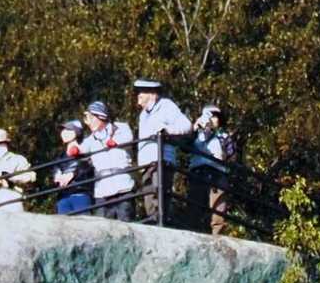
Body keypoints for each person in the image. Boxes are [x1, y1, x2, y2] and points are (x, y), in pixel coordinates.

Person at [132, 77, 192, 219]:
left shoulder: (166, 106)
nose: (139, 95)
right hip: (147, 164)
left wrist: (167, 130)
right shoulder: (143, 115)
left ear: (153, 94)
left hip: (161, 160)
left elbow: (186, 126)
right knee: (149, 202)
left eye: (142, 91)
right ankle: (155, 225)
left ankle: (162, 223)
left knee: (159, 199)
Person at [79, 100, 136, 221]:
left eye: (91, 118)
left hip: (123, 188)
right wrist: (74, 148)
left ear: (101, 116)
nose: (88, 122)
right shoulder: (90, 139)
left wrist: (115, 142)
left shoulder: (120, 128)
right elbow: (81, 150)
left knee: (125, 223)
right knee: (102, 227)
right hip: (102, 192)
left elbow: (128, 138)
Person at [190, 103, 233, 235]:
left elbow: (231, 155)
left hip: (218, 173)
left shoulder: (224, 136)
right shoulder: (196, 135)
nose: (212, 119)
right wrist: (195, 128)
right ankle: (195, 232)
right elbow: (184, 145)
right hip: (198, 171)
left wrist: (224, 156)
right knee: (196, 204)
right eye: (209, 116)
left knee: (218, 207)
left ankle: (217, 235)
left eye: (215, 116)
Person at [53, 119, 94, 215]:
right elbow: (54, 170)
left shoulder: (85, 151)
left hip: (80, 194)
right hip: (63, 196)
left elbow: (87, 168)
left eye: (68, 130)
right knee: (63, 224)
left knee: (83, 223)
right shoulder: (60, 156)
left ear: (77, 132)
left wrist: (73, 174)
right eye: (63, 130)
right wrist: (57, 176)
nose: (64, 132)